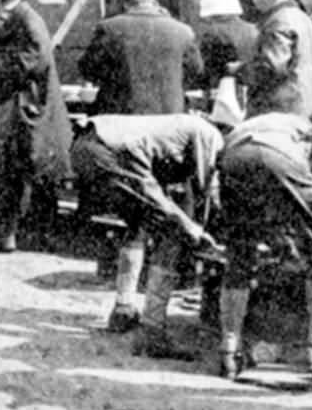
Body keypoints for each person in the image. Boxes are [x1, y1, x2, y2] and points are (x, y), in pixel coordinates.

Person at [69, 113, 224, 354]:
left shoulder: (178, 128)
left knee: (138, 224)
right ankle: (153, 332)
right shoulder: (210, 135)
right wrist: (196, 229)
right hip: (112, 151)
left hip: (84, 145)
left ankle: (123, 309)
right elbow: (205, 190)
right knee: (171, 231)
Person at [215, 112, 312, 379]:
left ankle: (229, 350)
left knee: (240, 254)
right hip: (279, 155)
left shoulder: (259, 120)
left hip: (233, 157)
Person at [0, 0, 73, 252]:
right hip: (26, 105)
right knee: (17, 169)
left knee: (24, 168)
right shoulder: (19, 17)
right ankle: (16, 234)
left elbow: (34, 58)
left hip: (29, 107)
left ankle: (26, 234)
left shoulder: (27, 18)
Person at [79, 0, 202, 115]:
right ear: (156, 2)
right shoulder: (184, 32)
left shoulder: (109, 28)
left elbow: (88, 69)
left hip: (121, 116)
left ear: (126, 3)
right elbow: (195, 71)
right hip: (170, 114)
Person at [238, 0, 312, 118]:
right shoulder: (301, 17)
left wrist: (240, 70)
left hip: (282, 107)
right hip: (306, 101)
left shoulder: (279, 21)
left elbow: (271, 67)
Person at [194, 0, 257, 92]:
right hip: (251, 89)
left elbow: (204, 69)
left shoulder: (212, 34)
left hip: (223, 90)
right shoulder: (255, 30)